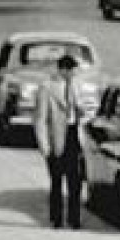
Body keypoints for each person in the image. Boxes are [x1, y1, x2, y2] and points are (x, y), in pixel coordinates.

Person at [34, 54, 86, 230]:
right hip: (56, 138)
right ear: (63, 70)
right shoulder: (47, 88)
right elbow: (40, 119)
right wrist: (44, 146)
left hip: (73, 134)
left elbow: (82, 108)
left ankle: (74, 218)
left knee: (75, 180)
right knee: (57, 180)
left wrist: (81, 111)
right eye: (71, 71)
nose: (74, 74)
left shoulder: (76, 86)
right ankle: (56, 218)